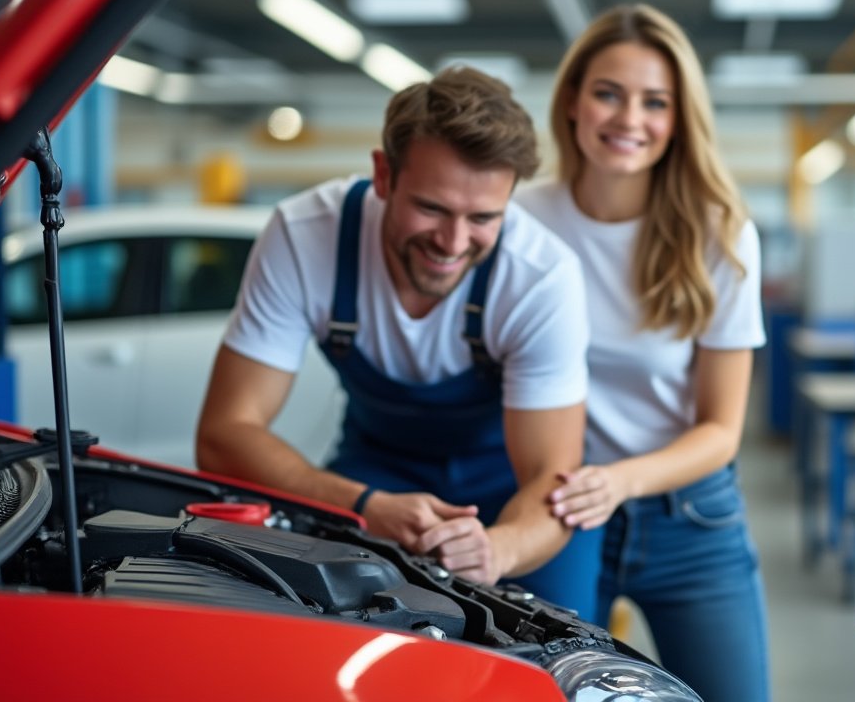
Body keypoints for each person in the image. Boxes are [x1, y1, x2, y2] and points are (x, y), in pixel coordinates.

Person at [195, 66, 600, 616]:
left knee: (564, 662)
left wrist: (495, 549)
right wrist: (364, 505)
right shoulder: (305, 235)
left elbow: (551, 478)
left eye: (482, 217)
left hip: (515, 496)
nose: (453, 242)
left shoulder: (541, 275)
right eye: (431, 208)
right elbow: (225, 434)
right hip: (374, 474)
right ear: (383, 175)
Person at [516, 3, 771, 702]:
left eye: (655, 102)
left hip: (689, 517)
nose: (630, 119)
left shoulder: (717, 233)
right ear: (572, 102)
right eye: (608, 93)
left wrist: (623, 480)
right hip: (559, 507)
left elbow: (721, 430)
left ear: (679, 118)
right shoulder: (521, 222)